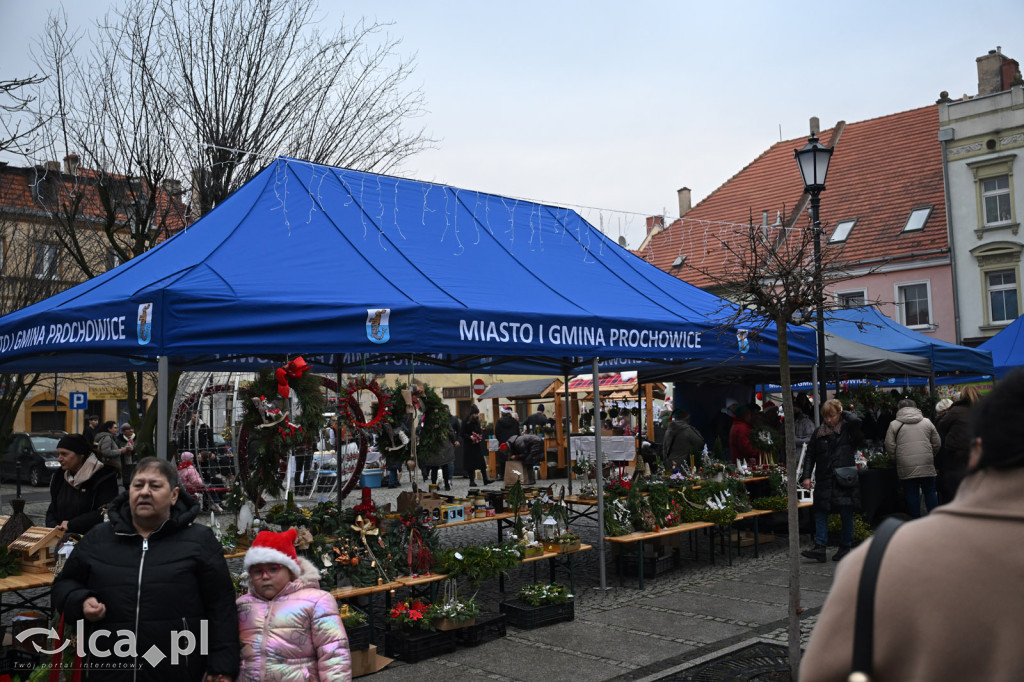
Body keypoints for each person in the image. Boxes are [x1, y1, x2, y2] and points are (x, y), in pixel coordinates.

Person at [801, 369, 1024, 681]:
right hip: (846, 477)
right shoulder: (926, 422)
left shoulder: (877, 566)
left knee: (893, 500)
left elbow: (822, 673)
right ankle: (823, 544)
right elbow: (934, 443)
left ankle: (868, 535)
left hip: (875, 474)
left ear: (977, 449)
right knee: (916, 495)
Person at [52, 457, 239, 681]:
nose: (145, 492)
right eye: (138, 485)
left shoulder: (199, 541)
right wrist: (80, 601)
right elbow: (64, 584)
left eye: (155, 486)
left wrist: (222, 666)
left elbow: (221, 606)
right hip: (109, 670)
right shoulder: (97, 539)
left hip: (177, 669)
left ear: (174, 495)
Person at [238, 528, 351, 681]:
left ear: (291, 570)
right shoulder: (242, 605)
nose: (265, 576)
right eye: (258, 571)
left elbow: (334, 653)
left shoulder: (316, 601)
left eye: (273, 569)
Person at [800, 399, 862, 563]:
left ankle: (845, 546)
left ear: (839, 414)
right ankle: (820, 547)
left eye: (832, 416)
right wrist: (806, 476)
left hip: (844, 478)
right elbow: (810, 455)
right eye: (826, 417)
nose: (828, 420)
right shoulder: (819, 432)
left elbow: (857, 421)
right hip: (824, 478)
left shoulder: (848, 429)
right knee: (820, 512)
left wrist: (844, 411)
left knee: (846, 513)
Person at [45, 434, 119, 534]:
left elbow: (105, 512)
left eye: (64, 454)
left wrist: (72, 525)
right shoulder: (60, 476)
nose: (59, 459)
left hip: (93, 540)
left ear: (80, 455)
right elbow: (53, 508)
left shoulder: (103, 476)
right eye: (58, 454)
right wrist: (54, 526)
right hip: (64, 541)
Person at [885, 398, 941, 518]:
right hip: (926, 461)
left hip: (905, 463)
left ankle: (915, 519)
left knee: (911, 493)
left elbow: (889, 445)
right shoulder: (927, 422)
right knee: (930, 491)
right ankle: (935, 518)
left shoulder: (894, 424)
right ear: (915, 407)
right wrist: (931, 454)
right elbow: (937, 443)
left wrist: (896, 458)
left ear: (899, 409)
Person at [935, 385, 981, 504]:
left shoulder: (956, 410)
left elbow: (941, 426)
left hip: (958, 451)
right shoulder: (984, 408)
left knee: (957, 482)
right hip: (979, 449)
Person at [660, 406, 705, 471]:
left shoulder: (669, 429)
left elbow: (665, 447)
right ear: (686, 418)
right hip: (684, 465)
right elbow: (700, 442)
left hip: (670, 463)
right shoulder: (688, 430)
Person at [461, 405, 492, 486]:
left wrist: (480, 436)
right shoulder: (465, 421)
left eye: (477, 413)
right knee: (470, 464)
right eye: (475, 414)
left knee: (482, 462)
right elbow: (462, 433)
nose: (476, 415)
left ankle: (485, 479)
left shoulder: (477, 421)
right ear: (471, 414)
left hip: (476, 445)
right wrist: (470, 437)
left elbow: (479, 430)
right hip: (468, 445)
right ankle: (471, 481)